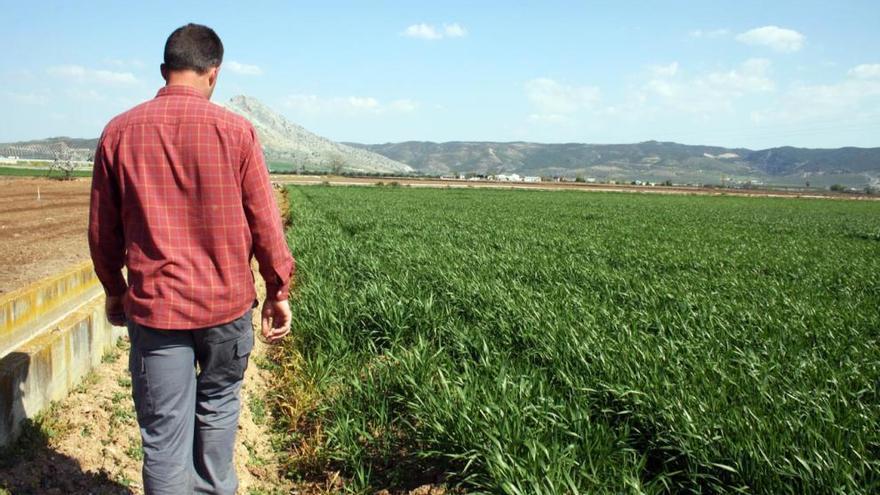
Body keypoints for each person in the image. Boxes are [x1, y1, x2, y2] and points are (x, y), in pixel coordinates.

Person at [87, 23, 295, 495]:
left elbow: (103, 233)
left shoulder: (117, 133)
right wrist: (277, 291)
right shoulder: (238, 132)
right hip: (225, 310)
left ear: (164, 71)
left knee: (163, 438)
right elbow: (266, 224)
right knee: (218, 413)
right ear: (214, 73)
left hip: (157, 313)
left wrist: (115, 292)